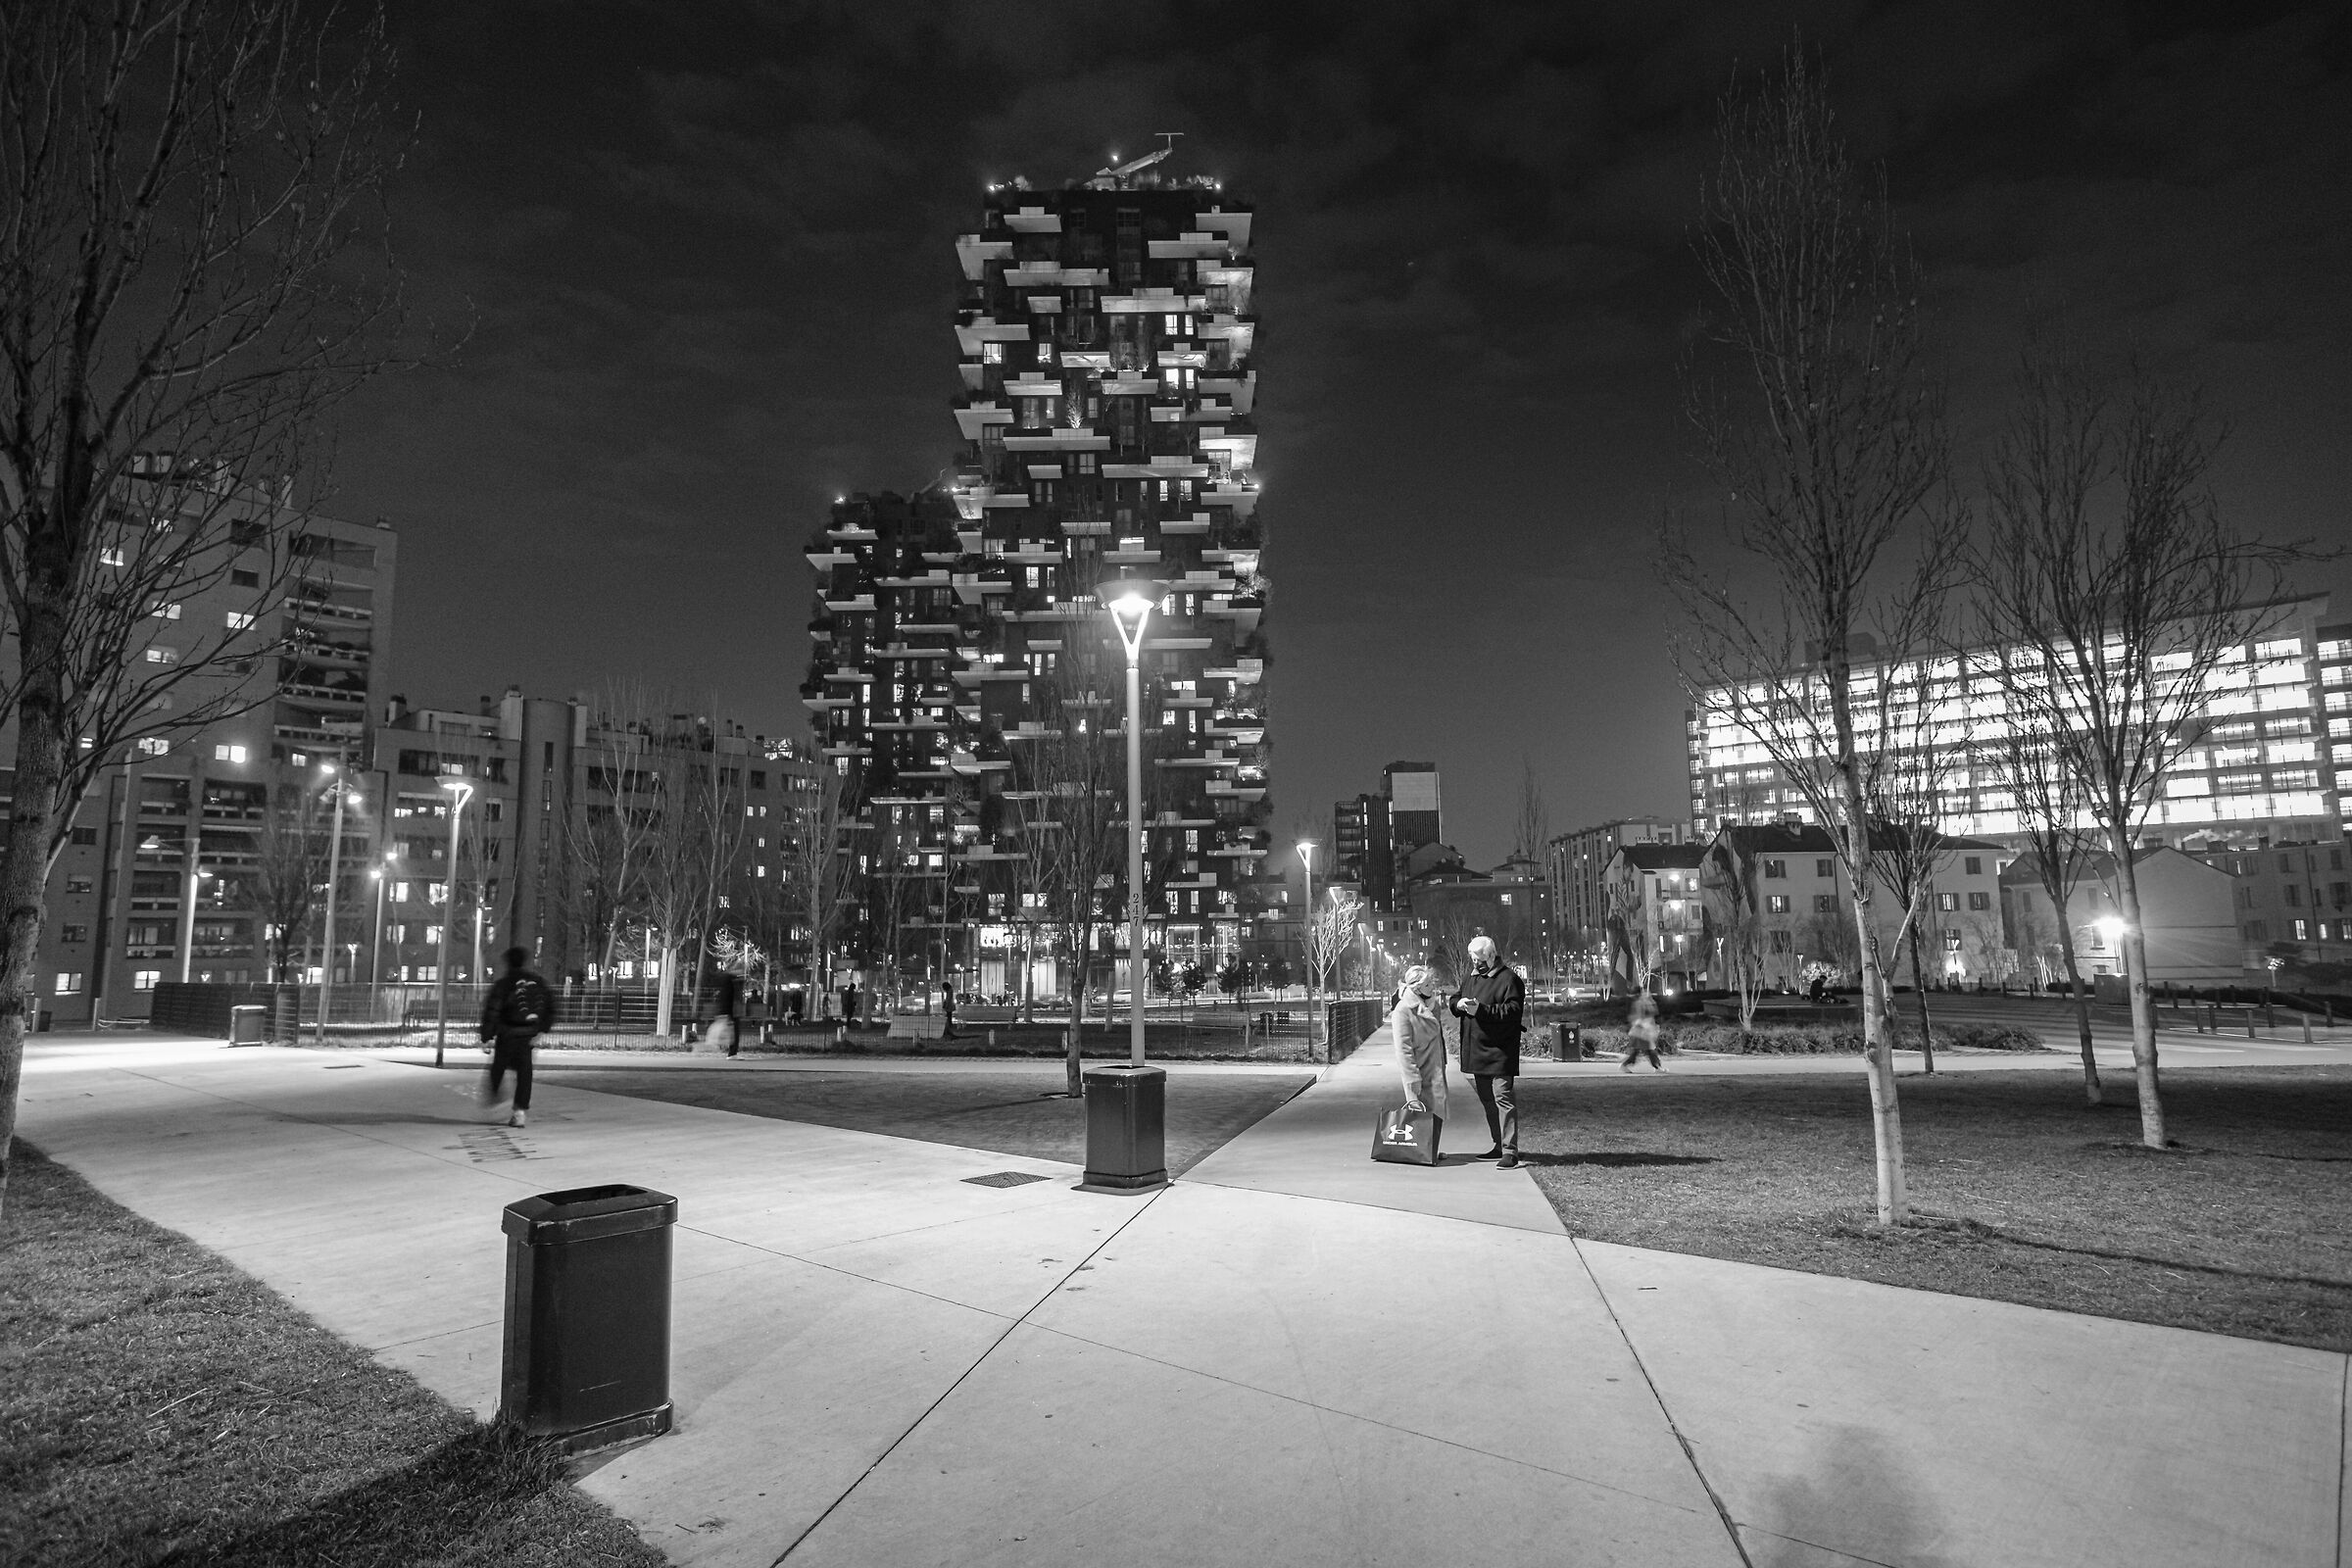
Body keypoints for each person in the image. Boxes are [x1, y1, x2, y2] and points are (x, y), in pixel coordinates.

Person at [1450, 936, 1525, 1168]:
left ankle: (1510, 1151)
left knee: (1502, 1098)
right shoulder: (1471, 977)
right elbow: (1455, 997)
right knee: (1487, 1100)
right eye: (1473, 960)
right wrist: (1458, 1004)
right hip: (1477, 1050)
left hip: (1500, 1049)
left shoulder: (1509, 979)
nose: (1476, 965)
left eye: (1480, 960)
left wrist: (1480, 1010)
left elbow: (1512, 1012)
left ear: (1492, 956)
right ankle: (1498, 1145)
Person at [480, 946, 553, 1129]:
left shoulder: (503, 984)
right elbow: (551, 1006)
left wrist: (487, 1036)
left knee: (497, 1068)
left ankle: (496, 1098)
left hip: (508, 1034)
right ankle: (519, 1111)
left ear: (508, 962)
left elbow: (493, 1010)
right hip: (528, 1035)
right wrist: (542, 1029)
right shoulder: (537, 982)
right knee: (524, 1073)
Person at [1389, 964, 1448, 1123]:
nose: (1432, 987)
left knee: (1436, 1118)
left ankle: (1433, 1149)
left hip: (1435, 1071)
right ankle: (1425, 1149)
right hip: (1419, 1074)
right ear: (1416, 988)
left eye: (1431, 983)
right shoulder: (1403, 1010)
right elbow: (1403, 1048)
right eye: (1427, 985)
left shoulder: (1432, 1007)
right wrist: (1412, 1077)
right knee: (1421, 1123)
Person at [1623, 991, 1664, 1072]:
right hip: (1641, 1032)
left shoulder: (1642, 1004)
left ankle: (1657, 1066)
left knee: (1643, 1050)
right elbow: (1648, 1015)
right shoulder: (1641, 1004)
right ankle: (1657, 1067)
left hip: (1642, 1031)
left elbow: (1652, 1014)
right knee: (1647, 1050)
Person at [711, 971, 742, 1057]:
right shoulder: (729, 988)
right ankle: (732, 1053)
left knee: (730, 1032)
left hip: (725, 1012)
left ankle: (732, 1052)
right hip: (729, 1013)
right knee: (734, 1032)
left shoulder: (723, 989)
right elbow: (729, 1002)